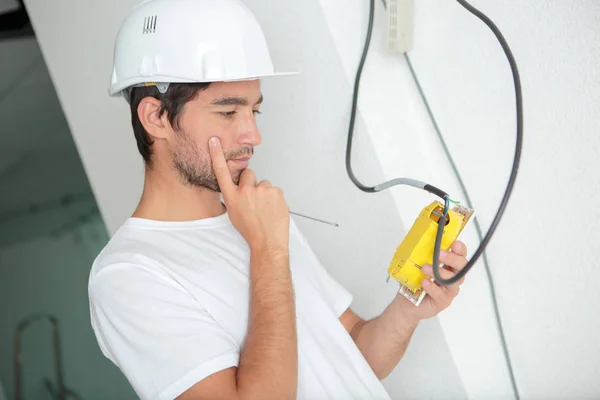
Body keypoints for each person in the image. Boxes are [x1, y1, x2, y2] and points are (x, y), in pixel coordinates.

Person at [88, 0, 469, 399]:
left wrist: (409, 309)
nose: (253, 135)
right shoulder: (128, 276)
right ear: (156, 118)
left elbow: (351, 355)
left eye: (254, 110)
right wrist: (267, 249)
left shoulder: (258, 218)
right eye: (228, 112)